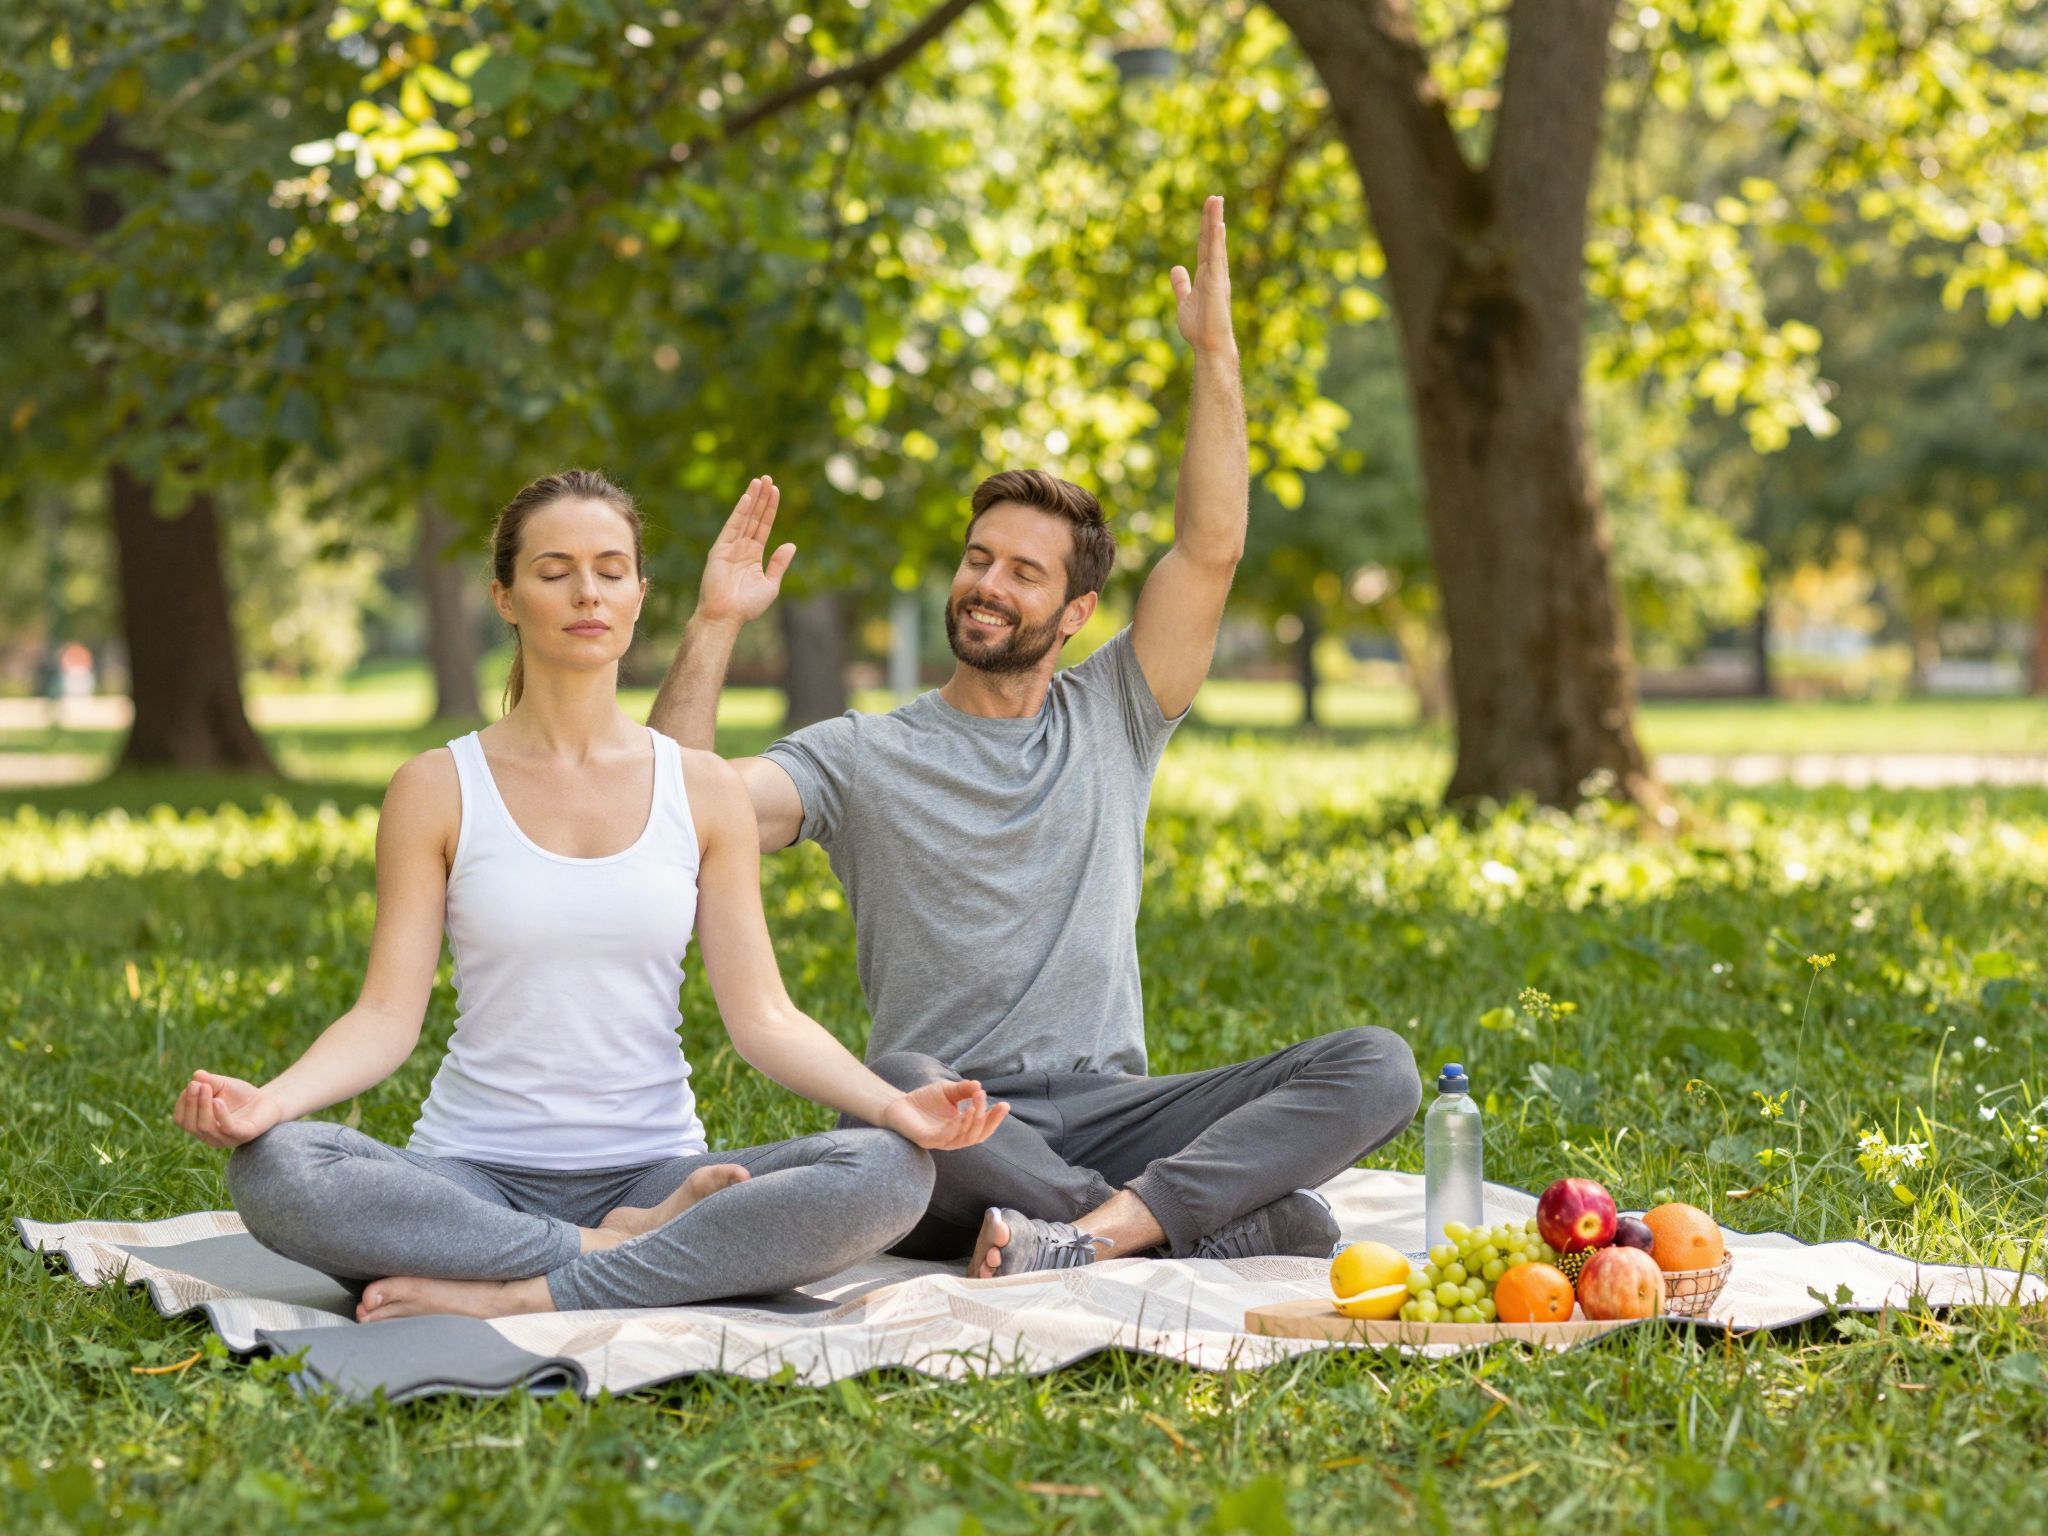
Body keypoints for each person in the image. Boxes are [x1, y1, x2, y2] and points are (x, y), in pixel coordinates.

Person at [649, 197, 1422, 1278]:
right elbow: (667, 805)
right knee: (899, 1093)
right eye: (977, 558)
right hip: (957, 1125)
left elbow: (1207, 549)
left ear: (1073, 614)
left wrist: (1215, 359)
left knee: (1376, 1067)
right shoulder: (860, 756)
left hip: (1115, 1106)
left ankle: (1087, 1234)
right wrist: (713, 624)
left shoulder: (1115, 711)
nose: (986, 584)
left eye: (1022, 571)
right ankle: (1171, 1228)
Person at [173, 470, 1007, 1322]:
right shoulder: (435, 786)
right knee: (277, 1170)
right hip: (472, 1175)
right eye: (553, 570)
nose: (586, 592)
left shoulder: (702, 788)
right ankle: (615, 1255)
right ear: (504, 596)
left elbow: (765, 1018)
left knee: (891, 1170)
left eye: (611, 570)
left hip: (654, 1171)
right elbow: (386, 1017)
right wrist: (269, 1104)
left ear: (641, 595)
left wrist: (892, 1105)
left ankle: (521, 1293)